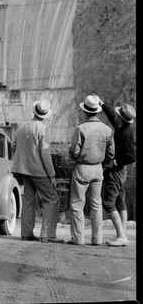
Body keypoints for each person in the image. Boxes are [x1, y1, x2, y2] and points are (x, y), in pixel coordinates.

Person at [11, 99, 64, 243]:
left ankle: (26, 234)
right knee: (51, 199)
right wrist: (52, 174)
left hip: (24, 170)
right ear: (45, 114)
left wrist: (23, 160)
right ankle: (48, 235)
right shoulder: (43, 129)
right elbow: (46, 155)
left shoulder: (22, 127)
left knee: (28, 200)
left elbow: (13, 146)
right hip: (39, 171)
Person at [68, 95, 114, 246]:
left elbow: (74, 152)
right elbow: (111, 154)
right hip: (98, 169)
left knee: (77, 204)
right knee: (96, 204)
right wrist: (102, 164)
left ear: (84, 112)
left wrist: (74, 157)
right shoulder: (107, 130)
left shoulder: (81, 129)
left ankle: (78, 238)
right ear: (97, 111)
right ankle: (97, 239)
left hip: (82, 168)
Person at [92, 93, 136, 246]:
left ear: (121, 119)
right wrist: (102, 103)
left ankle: (121, 236)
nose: (115, 116)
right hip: (121, 172)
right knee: (120, 201)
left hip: (116, 171)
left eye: (118, 115)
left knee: (108, 203)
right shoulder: (123, 127)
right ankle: (122, 232)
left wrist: (114, 162)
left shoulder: (125, 134)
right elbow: (112, 117)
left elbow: (131, 156)